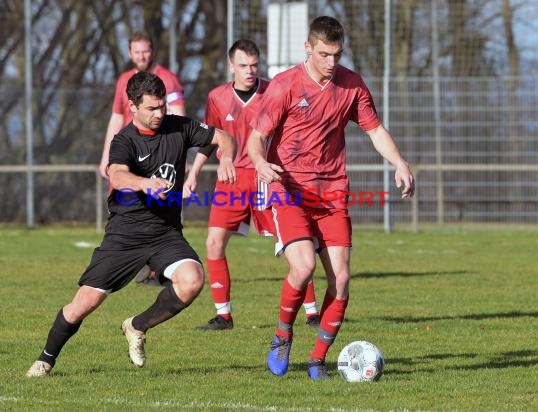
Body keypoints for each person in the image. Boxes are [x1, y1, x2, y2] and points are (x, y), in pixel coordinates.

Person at [26, 71, 236, 377]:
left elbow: (224, 137)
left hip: (165, 232)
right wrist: (144, 183)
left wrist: (227, 157)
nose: (159, 114)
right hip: (126, 234)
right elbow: (117, 174)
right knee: (84, 304)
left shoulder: (180, 126)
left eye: (162, 106)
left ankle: (137, 326)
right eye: (151, 108)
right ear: (133, 106)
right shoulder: (124, 140)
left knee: (192, 280)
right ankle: (45, 359)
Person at [247, 16, 415, 380]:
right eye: (324, 54)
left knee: (341, 280)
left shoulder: (352, 85)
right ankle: (282, 335)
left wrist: (399, 162)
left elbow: (375, 130)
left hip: (332, 192)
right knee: (304, 266)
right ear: (308, 48)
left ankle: (317, 360)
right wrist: (260, 162)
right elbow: (256, 138)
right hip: (287, 190)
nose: (331, 62)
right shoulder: (285, 85)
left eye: (337, 54)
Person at [182, 39, 320, 331]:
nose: (249, 71)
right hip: (230, 181)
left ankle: (311, 312)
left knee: (291, 244)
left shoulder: (274, 91)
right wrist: (193, 173)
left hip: (264, 179)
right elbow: (210, 139)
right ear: (231, 66)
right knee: (214, 243)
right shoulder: (217, 97)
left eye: (254, 65)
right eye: (243, 65)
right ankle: (223, 315)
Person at [99, 32, 186, 181]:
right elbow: (117, 119)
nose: (141, 56)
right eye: (137, 52)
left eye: (145, 51)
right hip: (127, 152)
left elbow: (180, 119)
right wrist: (106, 156)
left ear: (152, 52)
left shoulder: (168, 79)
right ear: (130, 53)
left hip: (157, 154)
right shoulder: (123, 80)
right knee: (121, 197)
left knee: (155, 199)